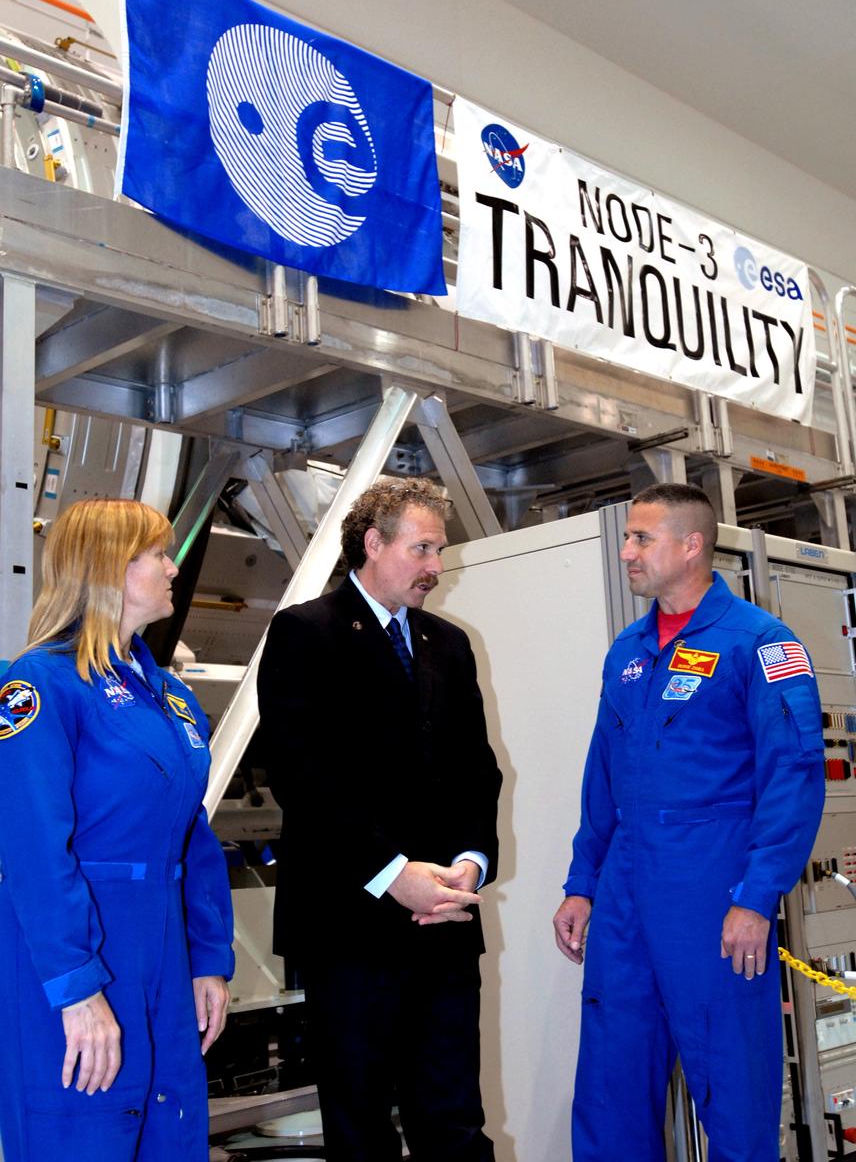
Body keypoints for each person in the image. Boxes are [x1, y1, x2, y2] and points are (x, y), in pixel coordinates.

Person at [552, 482, 825, 1162]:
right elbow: (603, 777)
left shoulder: (760, 643)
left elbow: (793, 777)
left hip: (714, 896)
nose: (626, 553)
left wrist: (757, 897)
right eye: (628, 538)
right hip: (623, 896)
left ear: (692, 544)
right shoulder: (629, 650)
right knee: (612, 1083)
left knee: (732, 1085)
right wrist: (583, 882)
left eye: (642, 538)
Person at [257, 477, 501, 1162]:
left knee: (454, 1124)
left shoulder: (449, 644)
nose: (436, 566)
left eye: (439, 549)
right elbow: (303, 778)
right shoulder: (306, 633)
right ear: (374, 543)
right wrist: (393, 875)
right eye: (423, 548)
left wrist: (469, 864)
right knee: (360, 1130)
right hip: (350, 931)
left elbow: (478, 772)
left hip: (446, 926)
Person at [0, 498, 234, 1162]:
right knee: (80, 1134)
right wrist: (77, 989)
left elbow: (191, 838)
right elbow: (34, 849)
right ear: (108, 567)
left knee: (168, 1131)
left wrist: (208, 958)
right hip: (74, 957)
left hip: (163, 955)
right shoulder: (39, 684)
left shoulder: (169, 696)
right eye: (157, 554)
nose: (172, 567)